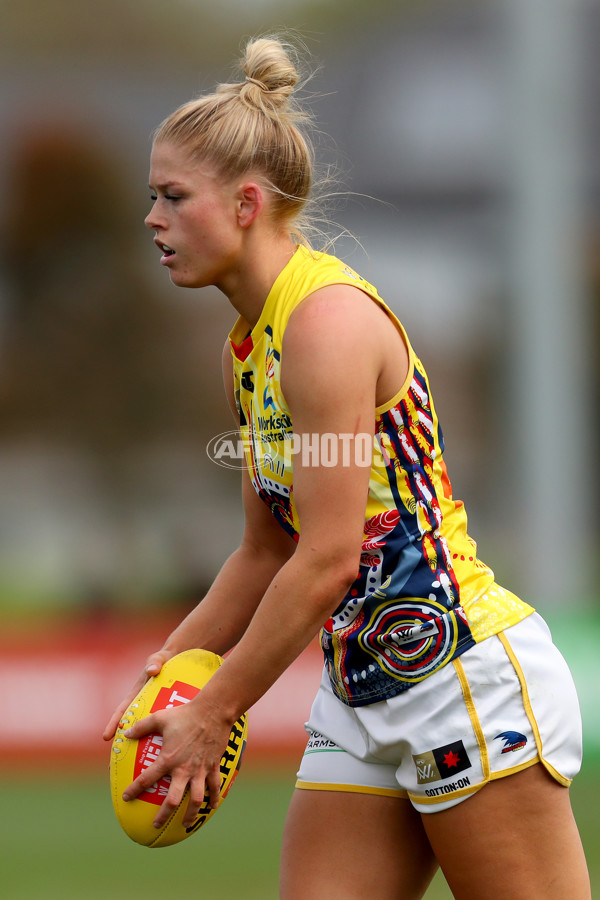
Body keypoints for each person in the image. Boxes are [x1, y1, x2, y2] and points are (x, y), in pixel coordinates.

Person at [103, 36, 590, 899]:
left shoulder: (324, 326)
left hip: (459, 680)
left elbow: (326, 558)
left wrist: (214, 711)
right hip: (361, 692)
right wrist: (169, 670)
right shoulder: (244, 352)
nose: (153, 219)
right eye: (153, 198)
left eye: (173, 198)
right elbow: (265, 551)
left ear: (247, 204)